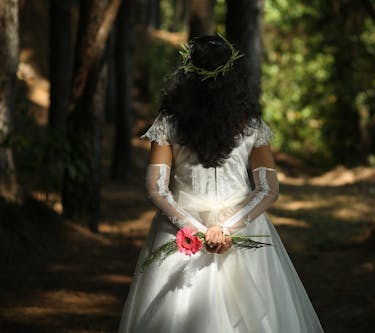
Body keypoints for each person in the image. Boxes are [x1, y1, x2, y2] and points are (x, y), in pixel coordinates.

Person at [118, 34, 324, 333]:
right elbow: (268, 189)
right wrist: (226, 230)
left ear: (187, 73)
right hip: (243, 227)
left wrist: (197, 232)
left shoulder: (169, 123)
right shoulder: (252, 125)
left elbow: (156, 189)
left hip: (180, 233)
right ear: (233, 75)